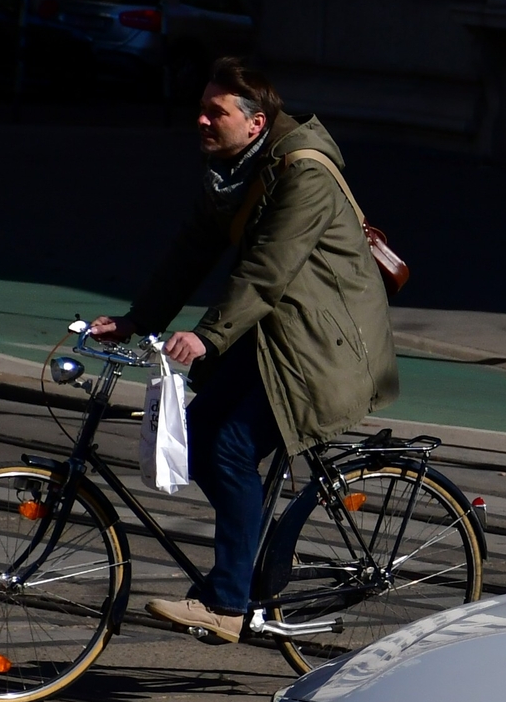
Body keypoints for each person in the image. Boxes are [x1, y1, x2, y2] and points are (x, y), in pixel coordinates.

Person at [91, 59, 399, 642]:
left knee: (227, 447)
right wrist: (138, 319)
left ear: (255, 123)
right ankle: (246, 566)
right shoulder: (231, 171)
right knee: (201, 432)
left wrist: (206, 335)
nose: (203, 121)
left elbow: (266, 272)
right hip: (279, 337)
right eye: (200, 110)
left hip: (326, 349)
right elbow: (192, 249)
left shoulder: (302, 173)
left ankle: (229, 604)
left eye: (217, 113)